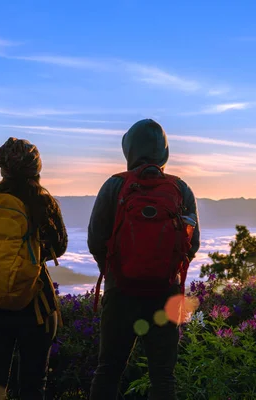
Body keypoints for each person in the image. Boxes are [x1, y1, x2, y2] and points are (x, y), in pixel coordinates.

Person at [88, 119, 201, 399]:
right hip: (165, 295)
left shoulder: (114, 186)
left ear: (130, 150)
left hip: (120, 295)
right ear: (164, 152)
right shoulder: (180, 189)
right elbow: (192, 244)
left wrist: (116, 272)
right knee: (163, 377)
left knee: (108, 372)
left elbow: (95, 240)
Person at [0, 137, 68, 400]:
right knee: (33, 386)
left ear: (2, 168)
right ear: (36, 169)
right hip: (34, 306)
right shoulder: (43, 203)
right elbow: (60, 246)